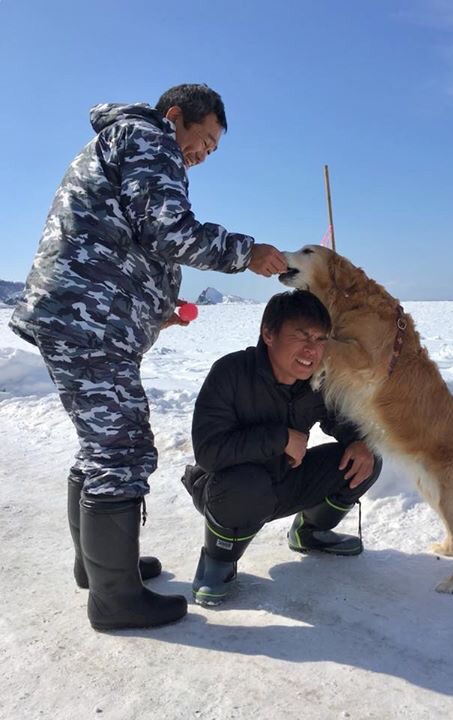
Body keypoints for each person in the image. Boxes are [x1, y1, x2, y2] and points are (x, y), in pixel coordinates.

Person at [9, 83, 287, 631]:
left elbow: (128, 236)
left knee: (104, 444)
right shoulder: (146, 135)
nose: (202, 154)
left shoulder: (132, 142)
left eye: (212, 150)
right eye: (203, 139)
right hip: (87, 317)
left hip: (89, 313)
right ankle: (116, 600)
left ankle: (100, 568)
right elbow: (166, 229)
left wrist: (155, 304)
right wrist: (246, 252)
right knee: (122, 446)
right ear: (176, 116)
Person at [182, 290, 382, 605]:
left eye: (319, 339)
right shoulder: (230, 373)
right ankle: (217, 560)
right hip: (230, 488)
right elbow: (209, 452)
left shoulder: (318, 380)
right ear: (269, 334)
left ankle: (310, 532)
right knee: (246, 485)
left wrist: (359, 441)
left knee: (364, 460)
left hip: (286, 479)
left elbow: (342, 419)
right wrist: (281, 438)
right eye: (301, 336)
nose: (311, 350)